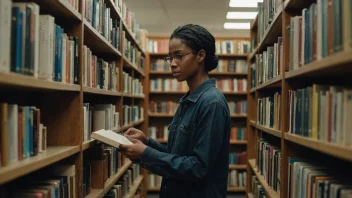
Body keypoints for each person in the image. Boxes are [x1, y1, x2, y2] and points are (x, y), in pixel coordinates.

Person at [119, 24, 231, 198]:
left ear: (201, 56)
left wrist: (146, 154)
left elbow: (198, 167)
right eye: (169, 58)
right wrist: (147, 142)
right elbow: (178, 155)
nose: (172, 64)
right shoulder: (189, 99)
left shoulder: (211, 103)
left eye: (179, 56)